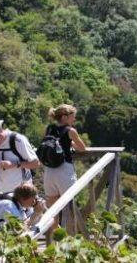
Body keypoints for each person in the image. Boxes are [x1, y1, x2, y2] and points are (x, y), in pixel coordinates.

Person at [43, 104, 86, 242]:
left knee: (53, 208)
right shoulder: (70, 130)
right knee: (70, 207)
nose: (74, 120)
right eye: (73, 117)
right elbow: (82, 148)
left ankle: (54, 240)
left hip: (49, 171)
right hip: (64, 170)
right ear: (65, 117)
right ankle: (70, 240)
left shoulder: (49, 128)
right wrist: (72, 143)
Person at [0, 184, 46, 263]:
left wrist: (38, 211)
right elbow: (21, 228)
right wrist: (36, 213)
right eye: (32, 198)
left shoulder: (17, 198)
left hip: (1, 238)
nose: (34, 201)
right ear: (23, 198)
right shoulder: (9, 206)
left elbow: (31, 220)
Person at [0, 119, 39, 193]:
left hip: (22, 192)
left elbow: (36, 163)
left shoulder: (18, 140)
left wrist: (14, 164)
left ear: (0, 132)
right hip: (0, 192)